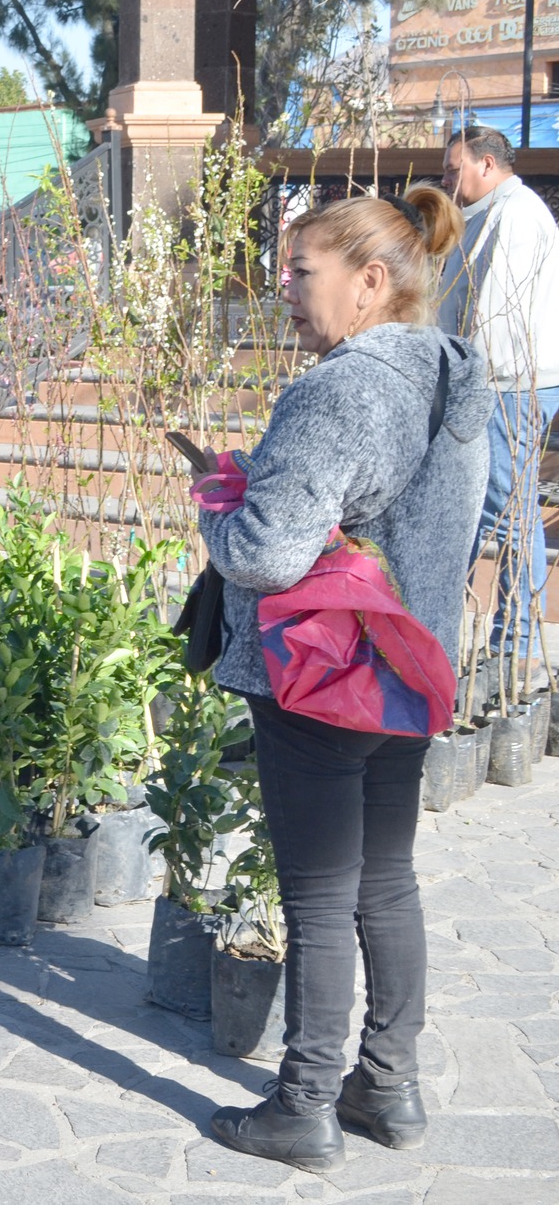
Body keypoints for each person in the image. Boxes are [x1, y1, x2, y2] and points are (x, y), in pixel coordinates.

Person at [196, 188, 486, 1172]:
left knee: (318, 896)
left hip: (319, 675)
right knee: (386, 882)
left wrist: (214, 500)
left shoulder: (337, 389)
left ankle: (302, 1104)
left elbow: (264, 555)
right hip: (409, 670)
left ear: (368, 281)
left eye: (297, 270)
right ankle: (387, 1088)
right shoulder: (453, 382)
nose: (280, 287)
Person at [438, 125, 559, 676]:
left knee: (509, 511)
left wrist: (470, 380)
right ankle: (505, 640)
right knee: (502, 507)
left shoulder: (518, 215)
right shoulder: (487, 210)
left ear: (485, 164)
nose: (446, 180)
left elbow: (500, 314)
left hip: (508, 383)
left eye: (452, 168)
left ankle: (518, 644)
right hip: (490, 382)